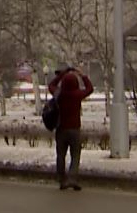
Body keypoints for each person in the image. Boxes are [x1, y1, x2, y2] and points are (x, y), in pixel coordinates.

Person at [47, 62, 93, 190]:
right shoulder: (77, 95)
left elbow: (51, 85)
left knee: (61, 155)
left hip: (61, 129)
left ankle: (62, 180)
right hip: (74, 129)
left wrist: (62, 74)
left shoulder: (58, 94)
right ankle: (72, 178)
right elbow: (90, 88)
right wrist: (82, 75)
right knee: (75, 155)